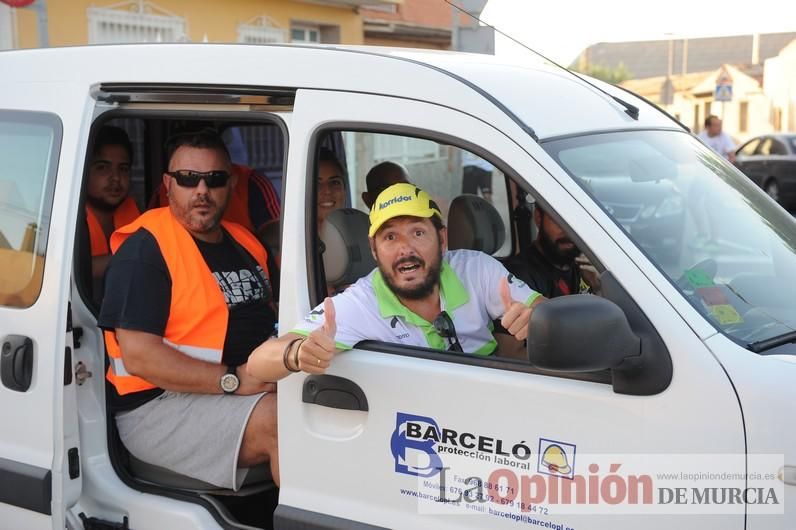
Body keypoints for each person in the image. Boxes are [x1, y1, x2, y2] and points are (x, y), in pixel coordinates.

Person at [98, 129, 280, 490]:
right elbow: (139, 357)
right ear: (168, 184)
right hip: (158, 408)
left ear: (230, 185)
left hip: (241, 388)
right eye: (187, 179)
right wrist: (234, 379)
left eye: (214, 179)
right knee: (284, 422)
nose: (201, 191)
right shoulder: (145, 250)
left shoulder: (246, 241)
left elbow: (275, 314)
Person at [247, 183, 546, 381]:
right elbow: (258, 362)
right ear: (374, 249)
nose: (405, 250)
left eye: (417, 233)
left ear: (441, 240)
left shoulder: (475, 269)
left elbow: (547, 312)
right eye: (390, 237)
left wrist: (539, 321)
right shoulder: (359, 303)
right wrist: (297, 353)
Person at [85, 125, 140, 299]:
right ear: (84, 171)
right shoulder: (66, 217)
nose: (115, 178)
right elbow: (65, 272)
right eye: (102, 167)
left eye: (123, 169)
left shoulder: (139, 215)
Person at [508, 206, 600, 298]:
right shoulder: (521, 278)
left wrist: (597, 287)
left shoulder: (583, 267)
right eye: (558, 220)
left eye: (576, 221)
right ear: (538, 217)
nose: (568, 231)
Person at [316, 147, 347, 230]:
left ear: (344, 191)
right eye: (317, 185)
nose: (327, 191)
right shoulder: (292, 238)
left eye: (334, 183)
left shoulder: (361, 235)